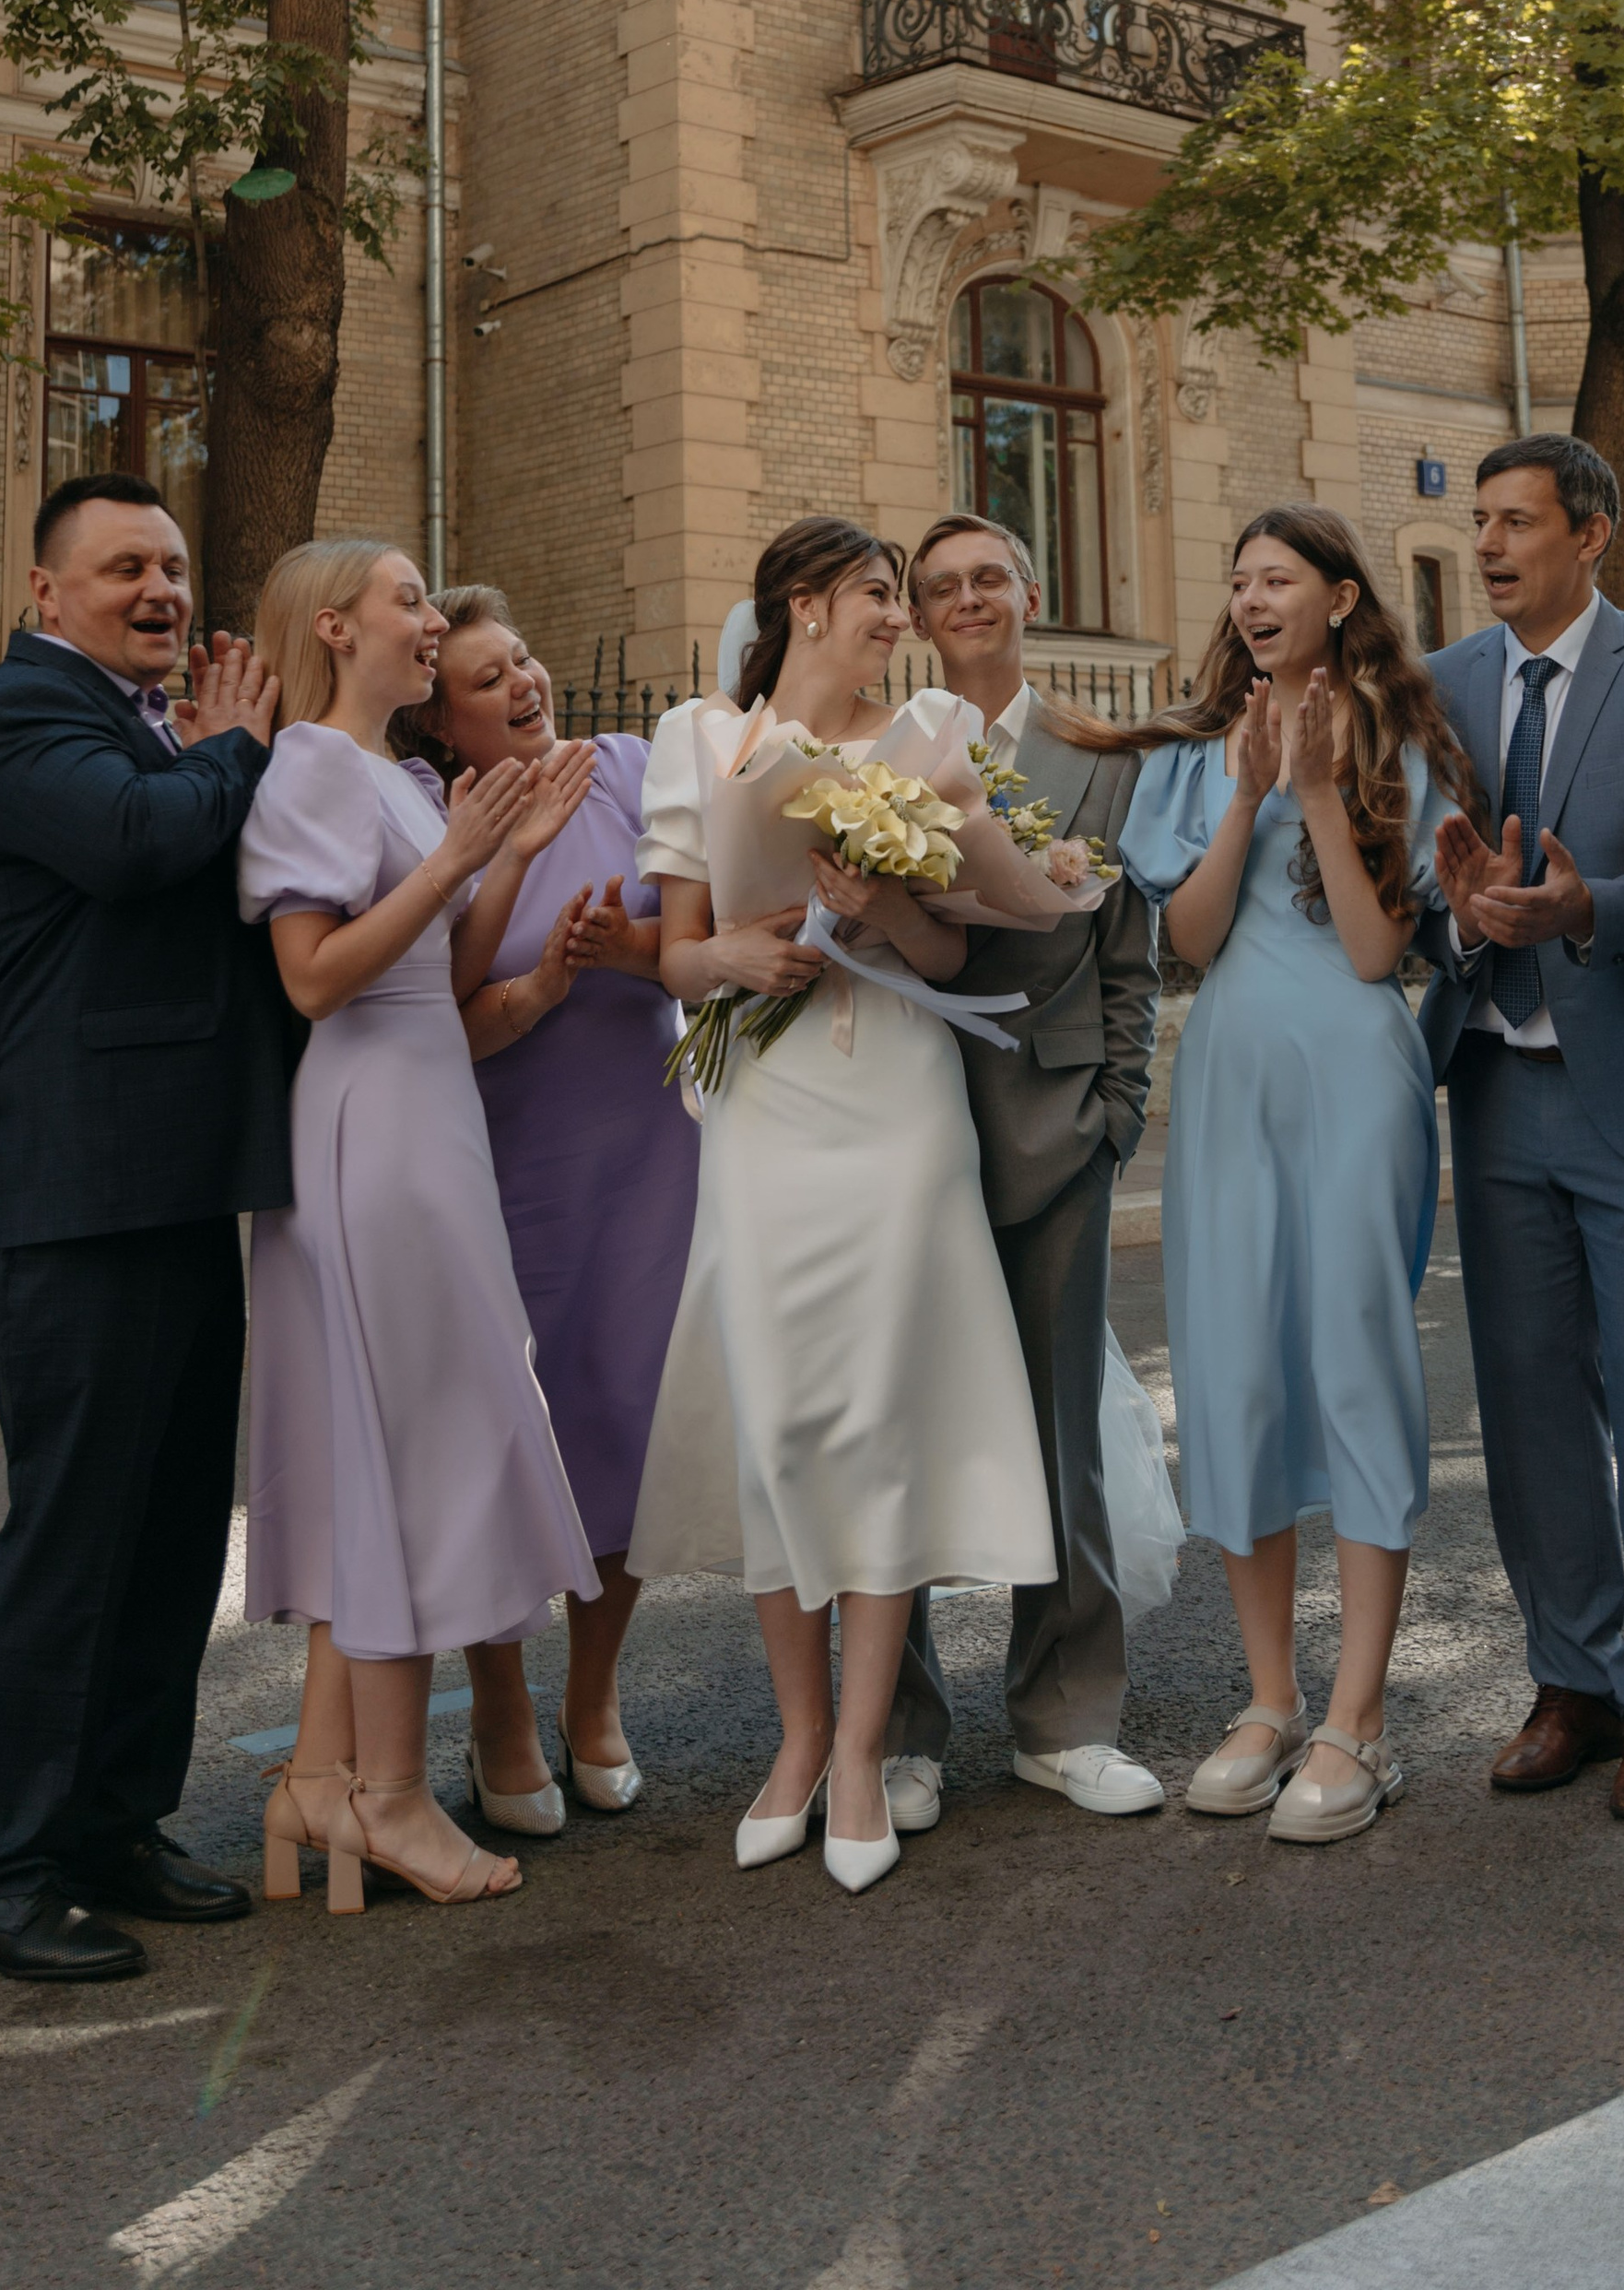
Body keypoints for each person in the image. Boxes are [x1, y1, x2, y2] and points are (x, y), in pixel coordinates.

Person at [626, 515, 1061, 1895]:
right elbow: (673, 954)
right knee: (781, 1416)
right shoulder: (699, 737)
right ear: (806, 605)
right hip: (765, 1104)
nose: (900, 618)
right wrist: (733, 954)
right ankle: (796, 1739)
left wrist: (878, 913)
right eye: (880, 595)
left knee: (876, 1410)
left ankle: (866, 1752)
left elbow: (955, 939)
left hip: (897, 1109)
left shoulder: (930, 728)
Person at [0, 470, 288, 1985]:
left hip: (175, 1183)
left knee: (161, 1538)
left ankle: (115, 1827)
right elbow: (143, 844)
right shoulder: (21, 717)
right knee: (74, 1541)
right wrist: (245, 748)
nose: (161, 590)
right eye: (124, 567)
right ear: (46, 594)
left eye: (175, 565)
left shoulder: (155, 728)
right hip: (68, 1194)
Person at [241, 540, 598, 1915]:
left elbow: (441, 968)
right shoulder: (311, 769)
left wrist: (503, 858)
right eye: (408, 598)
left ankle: (315, 1789)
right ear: (336, 628)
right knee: (412, 1456)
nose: (433, 614)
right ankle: (384, 1799)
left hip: (426, 1114)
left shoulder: (389, 775)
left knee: (398, 1449)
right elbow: (320, 979)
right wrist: (458, 847)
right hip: (371, 1129)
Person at [1115, 505, 1466, 1844]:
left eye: (1280, 579)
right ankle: (1268, 1701)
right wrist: (1250, 790)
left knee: (1357, 1361)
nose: (1253, 597)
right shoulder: (1199, 753)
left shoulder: (1400, 740)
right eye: (1240, 578)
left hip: (1358, 1074)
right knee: (1235, 1373)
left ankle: (1358, 1719)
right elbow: (1194, 937)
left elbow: (1381, 955)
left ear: (1337, 596)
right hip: (1233, 1077)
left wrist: (1318, 788)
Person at [1419, 435, 1624, 1822]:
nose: (1489, 546)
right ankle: (1574, 1680)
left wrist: (1583, 907)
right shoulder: (1439, 688)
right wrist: (1461, 901)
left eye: (1517, 523)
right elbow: (1419, 873)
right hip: (1494, 1082)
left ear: (1590, 534)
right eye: (1478, 523)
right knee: (1531, 1401)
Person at [394, 585, 690, 1833]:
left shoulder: (626, 767)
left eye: (524, 658)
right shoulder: (426, 815)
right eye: (485, 680)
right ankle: (503, 1713)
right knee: (504, 1435)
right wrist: (541, 950)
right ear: (445, 725)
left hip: (644, 1149)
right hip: (502, 1155)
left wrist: (625, 949)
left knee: (622, 1412)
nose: (523, 685)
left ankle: (595, 1696)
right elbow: (437, 1009)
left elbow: (700, 925)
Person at [883, 513, 1164, 1830]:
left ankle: (1066, 1716)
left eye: (988, 577)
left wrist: (1118, 1106)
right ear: (921, 618)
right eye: (941, 588)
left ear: (1031, 591)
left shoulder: (1101, 756)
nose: (968, 600)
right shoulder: (883, 755)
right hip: (909, 1119)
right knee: (908, 1428)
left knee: (1062, 1435)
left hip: (1055, 1125)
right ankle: (901, 1727)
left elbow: (1129, 952)